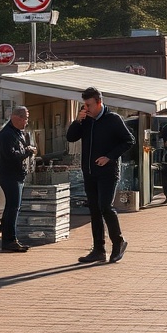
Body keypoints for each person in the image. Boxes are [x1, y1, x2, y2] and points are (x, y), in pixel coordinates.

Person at [66, 86, 135, 264]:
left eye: (88, 105)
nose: (86, 109)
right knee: (94, 210)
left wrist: (110, 157)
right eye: (84, 105)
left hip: (108, 172)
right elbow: (71, 137)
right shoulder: (86, 120)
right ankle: (98, 250)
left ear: (99, 102)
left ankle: (119, 242)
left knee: (105, 206)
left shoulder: (113, 119)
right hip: (89, 171)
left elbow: (129, 140)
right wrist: (77, 121)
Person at [0, 105, 38, 252]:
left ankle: (10, 239)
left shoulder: (19, 133)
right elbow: (11, 155)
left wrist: (28, 149)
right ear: (16, 118)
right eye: (25, 118)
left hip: (18, 175)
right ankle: (9, 240)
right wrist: (28, 151)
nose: (26, 122)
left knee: (14, 207)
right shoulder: (6, 134)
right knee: (12, 207)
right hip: (9, 176)